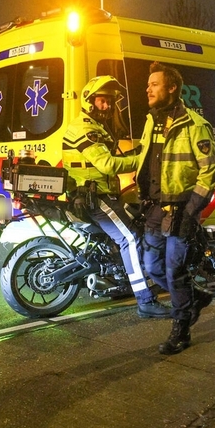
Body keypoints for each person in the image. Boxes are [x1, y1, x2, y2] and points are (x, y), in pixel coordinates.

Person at [62, 76, 169, 319]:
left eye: (110, 102)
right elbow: (107, 164)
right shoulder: (84, 128)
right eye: (102, 101)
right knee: (129, 239)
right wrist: (145, 160)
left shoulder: (95, 126)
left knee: (132, 219)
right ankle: (145, 300)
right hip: (94, 195)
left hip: (96, 193)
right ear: (89, 102)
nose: (107, 106)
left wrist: (142, 150)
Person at [136, 61, 215, 355]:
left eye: (154, 84)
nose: (148, 88)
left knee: (174, 271)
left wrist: (192, 208)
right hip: (155, 208)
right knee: (152, 266)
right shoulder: (151, 120)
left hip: (182, 209)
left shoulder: (195, 125)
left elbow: (209, 172)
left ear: (172, 88)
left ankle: (181, 330)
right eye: (148, 84)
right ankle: (196, 297)